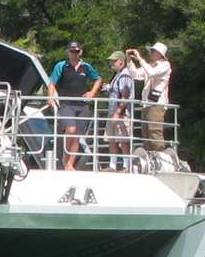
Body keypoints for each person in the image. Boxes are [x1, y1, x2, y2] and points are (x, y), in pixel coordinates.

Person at [47, 41, 101, 171]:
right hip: (66, 104)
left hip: (82, 105)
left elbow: (98, 79)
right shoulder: (61, 66)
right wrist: (50, 97)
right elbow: (52, 83)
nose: (74, 54)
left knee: (77, 134)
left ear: (80, 52)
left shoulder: (86, 66)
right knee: (70, 129)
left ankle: (70, 163)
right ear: (68, 52)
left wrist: (92, 92)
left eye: (76, 51)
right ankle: (65, 159)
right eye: (72, 51)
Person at [103, 50, 138, 169]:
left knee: (123, 139)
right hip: (113, 112)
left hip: (122, 114)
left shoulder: (124, 75)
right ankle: (112, 165)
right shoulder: (118, 75)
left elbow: (125, 95)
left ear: (121, 62)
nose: (111, 63)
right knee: (112, 138)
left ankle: (126, 165)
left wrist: (118, 113)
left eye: (113, 61)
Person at [140, 41, 174, 150]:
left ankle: (160, 156)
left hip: (157, 104)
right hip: (147, 104)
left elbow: (152, 73)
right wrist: (130, 61)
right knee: (146, 133)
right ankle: (150, 159)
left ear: (159, 53)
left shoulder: (165, 65)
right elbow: (136, 74)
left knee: (154, 131)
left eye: (153, 51)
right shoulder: (150, 66)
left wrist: (140, 60)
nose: (151, 53)